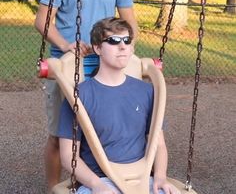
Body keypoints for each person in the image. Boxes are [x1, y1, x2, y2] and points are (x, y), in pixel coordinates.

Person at [34, 0, 137, 191]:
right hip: (68, 65)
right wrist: (66, 44)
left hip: (104, 62)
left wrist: (121, 47)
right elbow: (42, 20)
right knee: (60, 136)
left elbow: (131, 23)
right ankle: (52, 188)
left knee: (100, 133)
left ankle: (92, 183)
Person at [57, 17, 180, 194]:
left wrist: (160, 177)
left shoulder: (146, 91)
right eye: (114, 41)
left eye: (127, 40)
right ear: (98, 48)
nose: (122, 46)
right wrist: (96, 185)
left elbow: (159, 144)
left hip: (143, 178)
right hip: (100, 180)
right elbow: (68, 155)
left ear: (132, 48)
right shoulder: (79, 96)